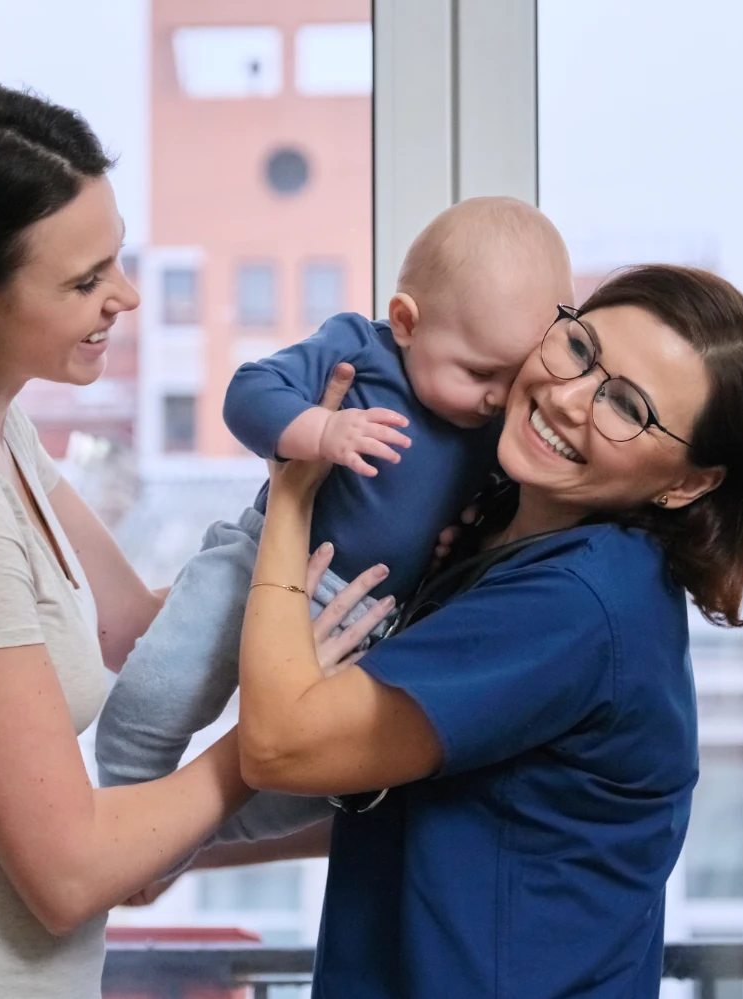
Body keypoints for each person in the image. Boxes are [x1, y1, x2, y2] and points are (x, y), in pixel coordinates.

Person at [0, 79, 317, 998]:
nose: (122, 296)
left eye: (116, 260)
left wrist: (327, 608)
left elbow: (139, 630)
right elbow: (67, 871)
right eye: (85, 281)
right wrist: (265, 748)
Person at [233, 264, 743, 998]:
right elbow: (426, 803)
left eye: (626, 406)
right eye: (580, 348)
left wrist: (292, 484)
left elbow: (281, 744)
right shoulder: (494, 534)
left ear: (688, 483)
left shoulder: (579, 602)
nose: (568, 398)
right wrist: (176, 855)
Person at [96, 197, 574, 847]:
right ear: (406, 321)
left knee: (332, 778)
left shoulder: (493, 429)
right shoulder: (360, 350)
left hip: (367, 616)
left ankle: (188, 835)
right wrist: (320, 429)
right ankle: (123, 801)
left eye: (512, 378)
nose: (495, 395)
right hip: (259, 564)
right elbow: (248, 393)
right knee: (162, 682)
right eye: (478, 372)